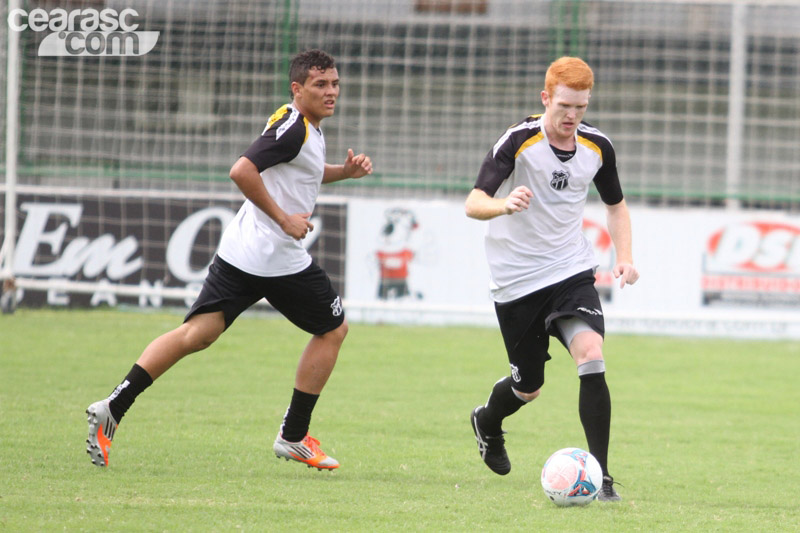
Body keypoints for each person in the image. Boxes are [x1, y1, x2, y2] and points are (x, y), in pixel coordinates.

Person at [86, 49, 372, 471]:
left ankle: (113, 405)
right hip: (275, 257)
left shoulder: (300, 125)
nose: (331, 92)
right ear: (298, 89)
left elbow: (298, 170)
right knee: (333, 329)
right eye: (320, 85)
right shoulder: (294, 128)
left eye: (334, 83)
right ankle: (293, 436)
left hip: (241, 250)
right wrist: (283, 220)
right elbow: (241, 170)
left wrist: (342, 173)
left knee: (196, 334)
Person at [465, 56, 639, 501]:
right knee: (528, 388)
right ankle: (487, 419)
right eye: (564, 106)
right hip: (517, 281)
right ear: (546, 98)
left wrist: (625, 256)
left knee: (591, 353)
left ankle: (601, 479)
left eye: (580, 107)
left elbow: (616, 205)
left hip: (569, 270)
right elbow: (474, 201)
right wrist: (502, 204)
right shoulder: (519, 141)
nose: (572, 117)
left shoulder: (597, 147)